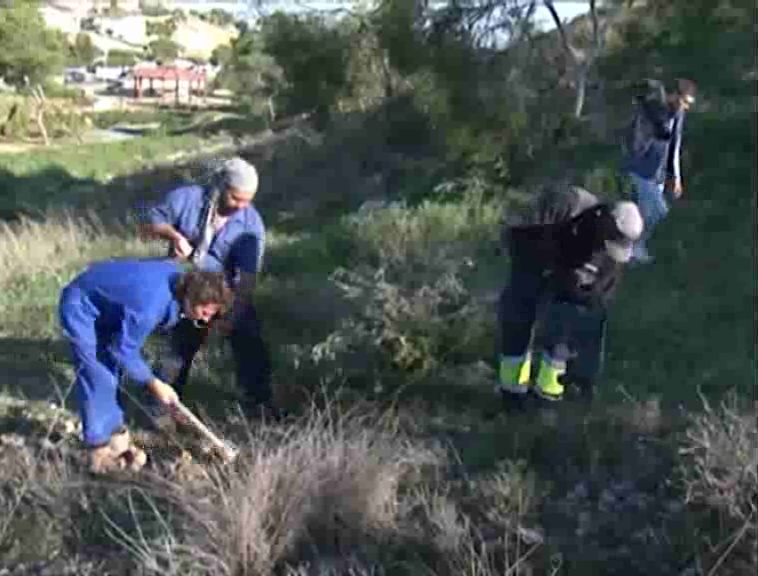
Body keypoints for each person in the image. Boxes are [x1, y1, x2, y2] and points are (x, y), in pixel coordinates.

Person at [58, 258, 233, 473]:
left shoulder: (178, 282)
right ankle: (98, 452)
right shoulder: (150, 305)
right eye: (204, 313)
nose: (205, 321)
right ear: (192, 298)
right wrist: (153, 383)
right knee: (97, 373)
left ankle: (115, 438)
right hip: (81, 304)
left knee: (112, 372)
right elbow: (123, 350)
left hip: (105, 307)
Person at [137, 156, 278, 419]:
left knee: (249, 336)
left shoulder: (251, 223)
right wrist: (174, 235)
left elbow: (247, 277)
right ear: (222, 186)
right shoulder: (188, 198)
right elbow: (147, 224)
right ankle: (160, 410)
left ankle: (260, 403)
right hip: (183, 286)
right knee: (179, 346)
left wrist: (234, 314)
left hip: (222, 291)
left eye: (247, 200)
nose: (241, 206)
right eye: (236, 198)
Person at [496, 182, 644, 403]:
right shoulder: (569, 203)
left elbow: (599, 296)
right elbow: (518, 230)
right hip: (532, 261)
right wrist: (541, 262)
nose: (608, 250)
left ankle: (547, 396)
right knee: (517, 318)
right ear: (605, 224)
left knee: (564, 330)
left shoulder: (611, 257)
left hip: (568, 278)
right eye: (609, 242)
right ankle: (512, 394)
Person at [621, 77, 697, 264]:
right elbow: (642, 138)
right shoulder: (652, 109)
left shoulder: (678, 113)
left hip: (658, 174)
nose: (685, 107)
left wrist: (675, 177)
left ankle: (633, 250)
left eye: (688, 104)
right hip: (641, 170)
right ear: (672, 95)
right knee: (657, 212)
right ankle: (633, 249)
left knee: (646, 214)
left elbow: (674, 145)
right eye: (683, 101)